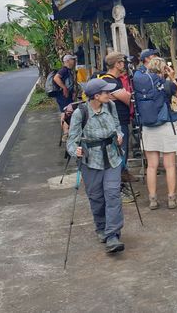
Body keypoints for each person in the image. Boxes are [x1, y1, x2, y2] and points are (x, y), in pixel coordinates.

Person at [67, 78, 125, 253]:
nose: (110, 94)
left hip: (112, 157)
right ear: (96, 96)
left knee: (113, 194)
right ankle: (101, 227)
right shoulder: (80, 113)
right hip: (91, 160)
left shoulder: (110, 106)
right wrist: (74, 150)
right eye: (106, 92)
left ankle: (112, 234)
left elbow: (117, 125)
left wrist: (119, 134)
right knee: (97, 197)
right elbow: (72, 139)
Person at [134, 56, 177, 210]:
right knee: (169, 166)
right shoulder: (166, 84)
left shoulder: (140, 86)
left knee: (151, 166)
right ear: (163, 69)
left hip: (148, 129)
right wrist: (172, 77)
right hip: (166, 127)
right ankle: (171, 198)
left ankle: (153, 199)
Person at [100, 52, 139, 198]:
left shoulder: (107, 80)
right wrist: (122, 94)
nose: (124, 65)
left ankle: (120, 182)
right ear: (117, 64)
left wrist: (114, 95)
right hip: (117, 122)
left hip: (119, 120)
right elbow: (128, 98)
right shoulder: (111, 81)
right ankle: (118, 188)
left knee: (120, 153)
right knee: (119, 153)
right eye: (122, 62)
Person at [54, 55, 77, 134]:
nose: (74, 61)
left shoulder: (68, 70)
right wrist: (64, 88)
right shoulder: (63, 70)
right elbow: (56, 78)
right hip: (63, 96)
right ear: (67, 61)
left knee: (68, 112)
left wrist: (72, 92)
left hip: (67, 96)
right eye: (72, 60)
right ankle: (65, 132)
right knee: (64, 113)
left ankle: (67, 131)